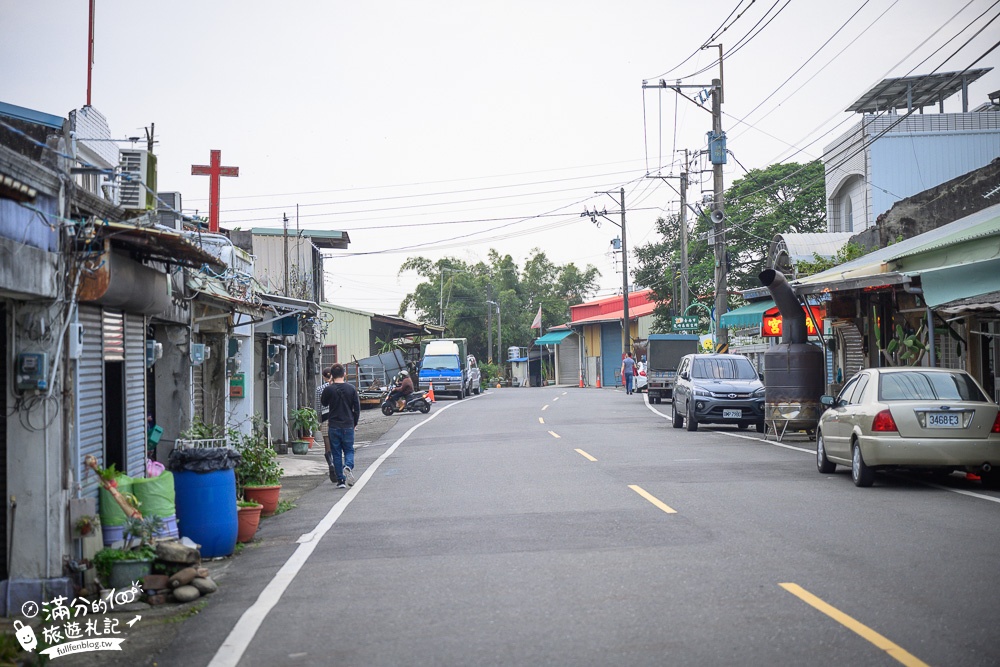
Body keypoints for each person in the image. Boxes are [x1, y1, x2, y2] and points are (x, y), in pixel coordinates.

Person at [321, 363, 361, 488]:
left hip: (333, 425)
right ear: (344, 374)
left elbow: (324, 403)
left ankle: (341, 481)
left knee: (336, 453)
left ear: (332, 375)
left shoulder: (329, 389)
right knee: (349, 449)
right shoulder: (351, 389)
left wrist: (330, 385)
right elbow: (357, 409)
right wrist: (354, 423)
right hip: (348, 424)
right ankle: (348, 466)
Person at [315, 367, 333, 454]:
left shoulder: (319, 389)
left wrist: (319, 421)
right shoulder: (338, 386)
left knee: (327, 440)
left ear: (324, 377)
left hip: (325, 416)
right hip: (338, 417)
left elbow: (318, 406)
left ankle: (330, 462)